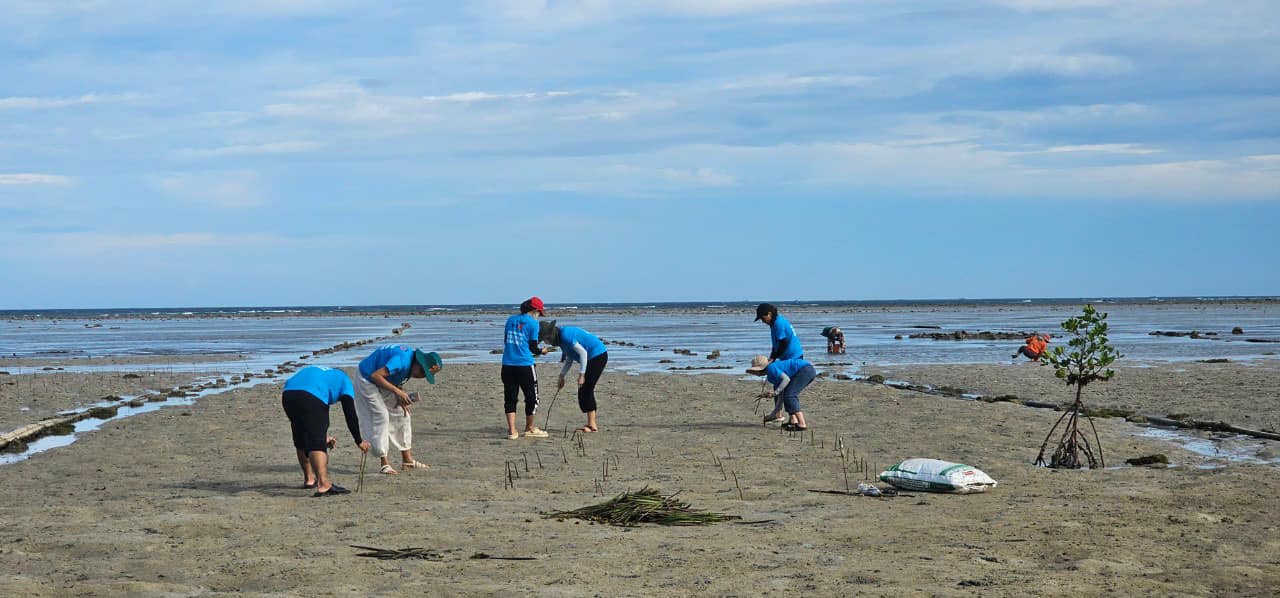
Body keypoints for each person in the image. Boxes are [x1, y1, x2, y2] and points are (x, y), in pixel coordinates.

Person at [280, 365, 370, 497]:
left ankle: (309, 479)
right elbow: (350, 413)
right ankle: (323, 485)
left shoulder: (322, 374)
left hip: (288, 394)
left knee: (300, 435)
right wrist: (359, 441)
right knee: (317, 444)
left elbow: (309, 423)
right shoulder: (345, 381)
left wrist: (323, 435)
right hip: (311, 396)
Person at [353, 344, 442, 475]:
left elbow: (397, 377)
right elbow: (375, 376)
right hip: (366, 378)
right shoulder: (401, 360)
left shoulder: (411, 364)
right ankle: (384, 463)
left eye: (426, 374)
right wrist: (397, 392)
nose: (422, 376)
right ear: (418, 362)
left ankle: (408, 460)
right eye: (423, 372)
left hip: (384, 379)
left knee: (403, 413)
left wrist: (399, 394)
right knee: (381, 416)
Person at [541, 321, 609, 433]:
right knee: (583, 390)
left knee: (587, 388)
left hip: (598, 355)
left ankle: (592, 426)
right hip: (592, 357)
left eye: (545, 339)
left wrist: (582, 374)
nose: (545, 342)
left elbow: (583, 353)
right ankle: (590, 423)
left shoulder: (565, 335)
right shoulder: (562, 340)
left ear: (550, 335)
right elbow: (570, 357)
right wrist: (561, 376)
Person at [502, 297, 552, 439]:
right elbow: (533, 347)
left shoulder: (510, 320)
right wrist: (542, 351)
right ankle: (529, 427)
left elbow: (506, 341)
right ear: (535, 311)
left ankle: (512, 430)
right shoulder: (533, 323)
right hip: (524, 364)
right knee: (532, 397)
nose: (539, 315)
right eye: (539, 313)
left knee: (510, 397)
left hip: (507, 364)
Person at [747, 355, 815, 431]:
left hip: (805, 370)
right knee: (787, 395)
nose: (755, 374)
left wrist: (775, 392)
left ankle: (802, 424)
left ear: (760, 370)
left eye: (755, 372)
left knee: (790, 395)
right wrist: (775, 411)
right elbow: (780, 395)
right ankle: (793, 421)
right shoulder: (771, 375)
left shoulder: (771, 369)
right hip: (806, 369)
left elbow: (786, 379)